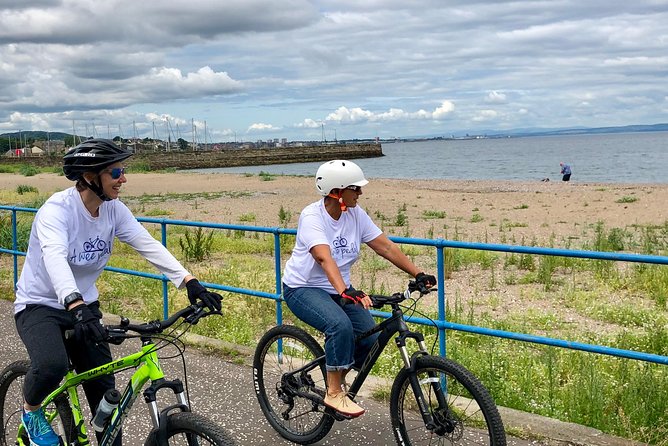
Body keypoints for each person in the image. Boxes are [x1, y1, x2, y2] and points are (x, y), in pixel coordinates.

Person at [13, 138, 222, 446]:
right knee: (51, 366)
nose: (124, 178)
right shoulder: (56, 212)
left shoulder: (114, 210)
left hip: (85, 306)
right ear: (89, 177)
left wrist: (189, 281)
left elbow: (147, 244)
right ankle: (31, 413)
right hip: (40, 305)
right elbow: (55, 258)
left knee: (106, 401)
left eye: (123, 171)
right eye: (116, 172)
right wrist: (74, 303)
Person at [281, 159, 436, 417]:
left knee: (370, 338)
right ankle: (333, 392)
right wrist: (344, 290)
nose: (361, 193)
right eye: (355, 188)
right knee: (338, 326)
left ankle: (336, 371)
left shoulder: (356, 215)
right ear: (336, 192)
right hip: (303, 288)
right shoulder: (312, 217)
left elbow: (384, 246)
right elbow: (323, 257)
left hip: (340, 287)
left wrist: (417, 273)